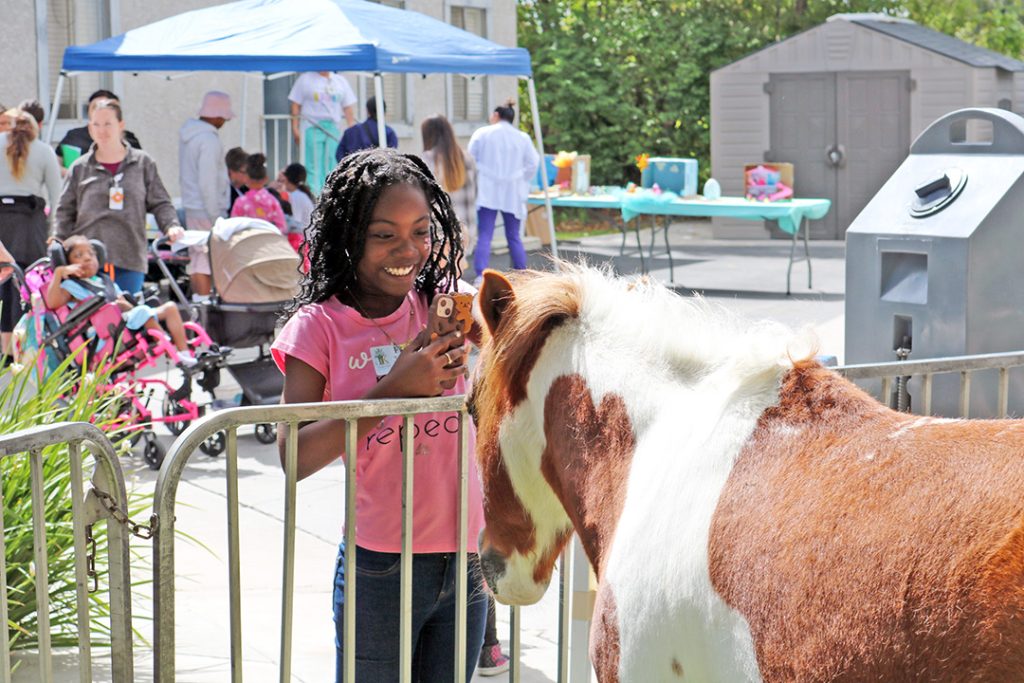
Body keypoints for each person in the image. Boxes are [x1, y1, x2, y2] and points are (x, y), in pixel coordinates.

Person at [271, 147, 485, 682]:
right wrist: (392, 391)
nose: (407, 249)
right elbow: (293, 456)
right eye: (384, 233)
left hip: (470, 558)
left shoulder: (446, 303)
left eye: (420, 231)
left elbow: (524, 325)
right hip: (381, 564)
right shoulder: (318, 326)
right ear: (348, 236)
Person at [55, 99, 183, 295]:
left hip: (129, 256)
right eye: (96, 124)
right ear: (90, 128)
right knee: (92, 320)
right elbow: (64, 211)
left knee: (127, 318)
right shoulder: (80, 167)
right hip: (86, 260)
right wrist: (58, 241)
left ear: (121, 126)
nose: (102, 130)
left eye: (108, 124)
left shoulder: (142, 163)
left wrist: (171, 225)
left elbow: (161, 202)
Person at [45, 236, 197, 365]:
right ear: (68, 263)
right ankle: (168, 349)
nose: (87, 258)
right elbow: (52, 303)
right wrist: (59, 273)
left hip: (121, 322)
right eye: (78, 255)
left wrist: (123, 305)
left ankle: (184, 353)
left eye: (91, 254)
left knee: (169, 307)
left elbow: (125, 304)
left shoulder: (103, 280)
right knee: (143, 311)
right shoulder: (70, 285)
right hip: (103, 335)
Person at [0, 109, 61, 354]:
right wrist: (54, 229)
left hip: (2, 221)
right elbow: (57, 196)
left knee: (3, 282)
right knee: (27, 283)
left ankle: (4, 348)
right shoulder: (44, 151)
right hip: (30, 223)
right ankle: (22, 347)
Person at [467, 100, 539, 282]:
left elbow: (470, 158)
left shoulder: (482, 133)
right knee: (514, 236)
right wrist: (520, 177)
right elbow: (533, 163)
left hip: (487, 190)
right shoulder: (522, 138)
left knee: (485, 235)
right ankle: (521, 275)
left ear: (497, 115)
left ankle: (480, 275)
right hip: (512, 192)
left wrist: (481, 173)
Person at [179, 91, 234, 297]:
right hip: (206, 208)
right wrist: (215, 215)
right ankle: (205, 305)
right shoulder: (209, 140)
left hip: (194, 205)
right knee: (206, 258)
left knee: (197, 257)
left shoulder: (190, 135)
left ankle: (199, 302)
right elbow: (208, 182)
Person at [420, 114, 477, 275]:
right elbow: (475, 193)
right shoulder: (467, 158)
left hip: (438, 234)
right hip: (465, 231)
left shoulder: (426, 160)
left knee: (439, 285)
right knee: (456, 283)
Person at [288, 71, 357, 194]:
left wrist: (351, 130)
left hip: (333, 126)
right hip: (312, 125)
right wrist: (295, 128)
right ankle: (314, 194)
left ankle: (331, 193)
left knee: (333, 160)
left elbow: (347, 107)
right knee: (313, 162)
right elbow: (295, 105)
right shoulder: (305, 78)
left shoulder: (339, 80)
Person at [55, 89, 141, 169]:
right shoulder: (74, 136)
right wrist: (68, 173)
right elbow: (57, 160)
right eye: (95, 107)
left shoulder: (129, 139)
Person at [230, 153, 286, 234]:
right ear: (266, 179)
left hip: (247, 243)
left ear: (246, 178)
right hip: (268, 243)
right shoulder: (272, 201)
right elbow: (282, 227)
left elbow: (233, 227)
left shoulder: (240, 202)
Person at [335, 97, 398, 162]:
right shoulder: (389, 133)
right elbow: (392, 158)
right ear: (384, 112)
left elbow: (339, 155)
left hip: (353, 170)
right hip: (378, 170)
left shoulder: (350, 132)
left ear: (367, 111)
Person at [277, 162, 314, 251]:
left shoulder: (296, 196)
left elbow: (295, 225)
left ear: (286, 178)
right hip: (304, 243)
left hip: (303, 245)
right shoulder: (298, 194)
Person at [225, 146, 249, 212]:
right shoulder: (224, 193)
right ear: (231, 171)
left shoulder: (246, 189)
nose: (249, 175)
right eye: (245, 172)